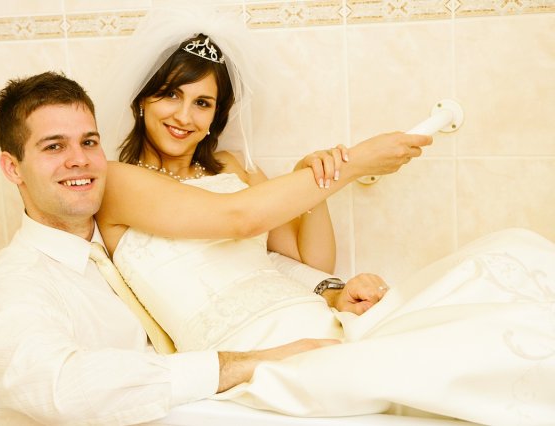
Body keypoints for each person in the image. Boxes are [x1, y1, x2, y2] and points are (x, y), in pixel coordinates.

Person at [0, 71, 429, 425]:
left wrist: (330, 291)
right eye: (53, 147)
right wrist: (252, 364)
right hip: (246, 372)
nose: (78, 160)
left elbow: (249, 264)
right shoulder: (17, 286)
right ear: (13, 168)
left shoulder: (102, 228)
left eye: (89, 141)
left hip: (288, 343)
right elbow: (62, 388)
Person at [96, 32, 420, 353]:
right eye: (170, 94)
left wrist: (315, 175)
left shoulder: (234, 166)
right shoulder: (117, 181)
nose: (184, 116)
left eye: (202, 103)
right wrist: (354, 164)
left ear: (216, 116)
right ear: (142, 99)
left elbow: (312, 261)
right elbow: (239, 218)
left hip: (310, 317)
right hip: (245, 349)